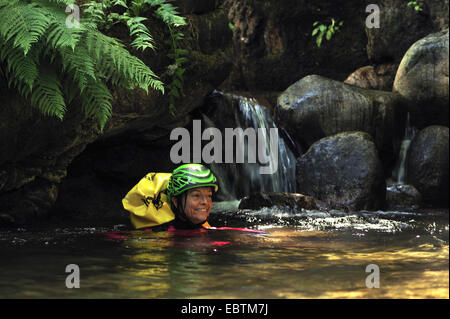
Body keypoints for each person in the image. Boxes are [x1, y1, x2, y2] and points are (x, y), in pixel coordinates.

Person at [122, 163, 218, 230]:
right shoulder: (158, 235)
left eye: (209, 195)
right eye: (196, 195)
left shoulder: (201, 226)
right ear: (175, 201)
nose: (205, 202)